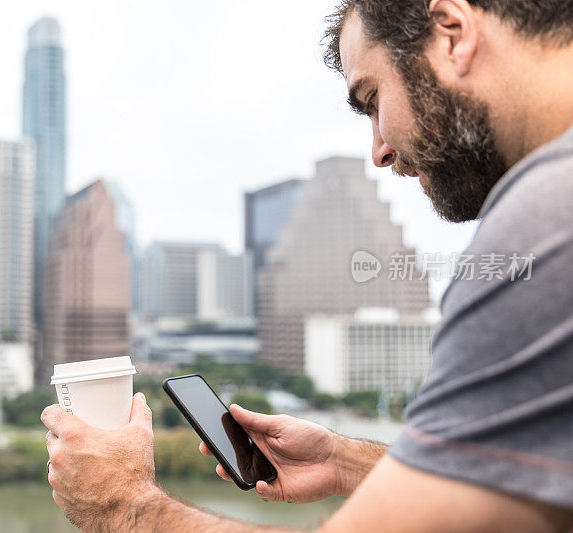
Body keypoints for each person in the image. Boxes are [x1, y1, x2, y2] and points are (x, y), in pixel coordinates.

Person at [42, 0, 573, 530]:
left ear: (453, 33)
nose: (379, 151)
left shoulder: (545, 221)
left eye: (371, 98)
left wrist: (121, 503)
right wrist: (345, 462)